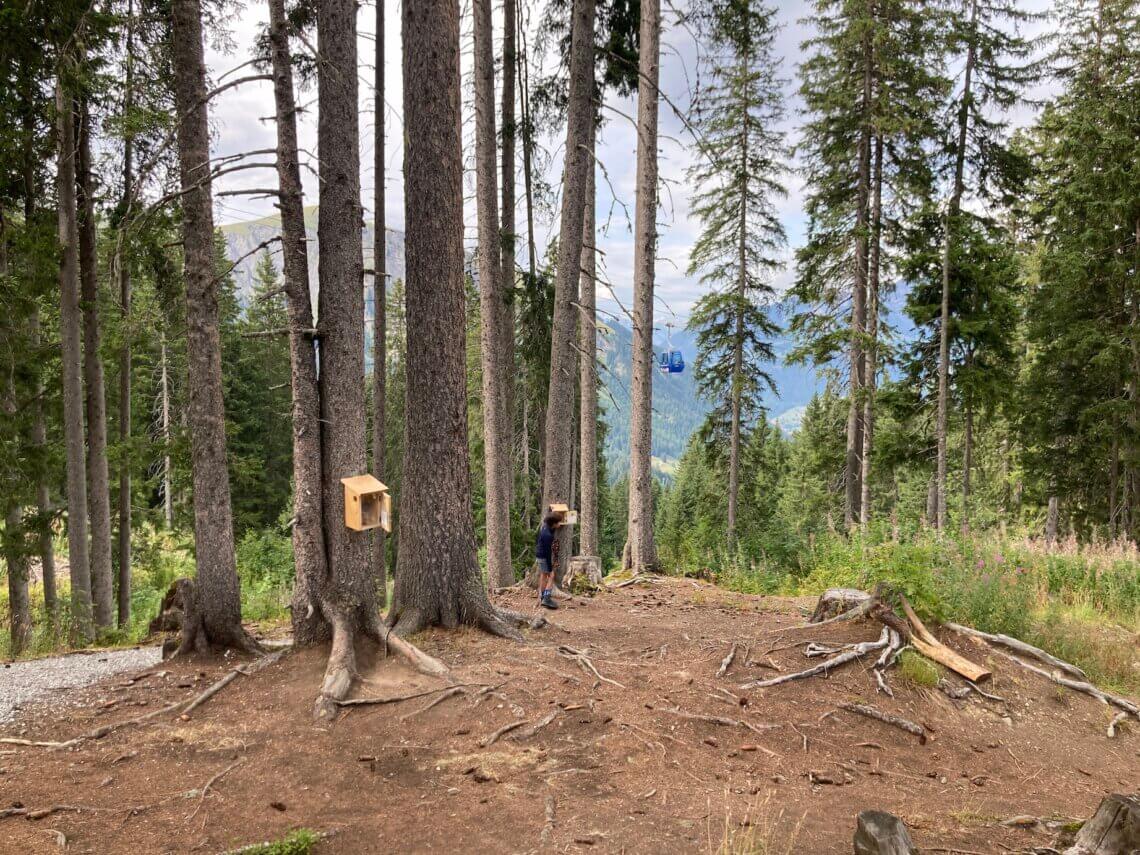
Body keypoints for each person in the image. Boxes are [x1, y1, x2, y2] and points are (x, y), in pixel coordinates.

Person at [535, 511, 563, 610]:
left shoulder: (546, 527)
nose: (560, 524)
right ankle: (546, 598)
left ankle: (542, 596)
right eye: (558, 522)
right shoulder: (548, 536)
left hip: (539, 555)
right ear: (553, 523)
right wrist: (550, 568)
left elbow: (552, 530)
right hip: (544, 556)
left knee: (543, 576)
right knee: (551, 576)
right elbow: (547, 553)